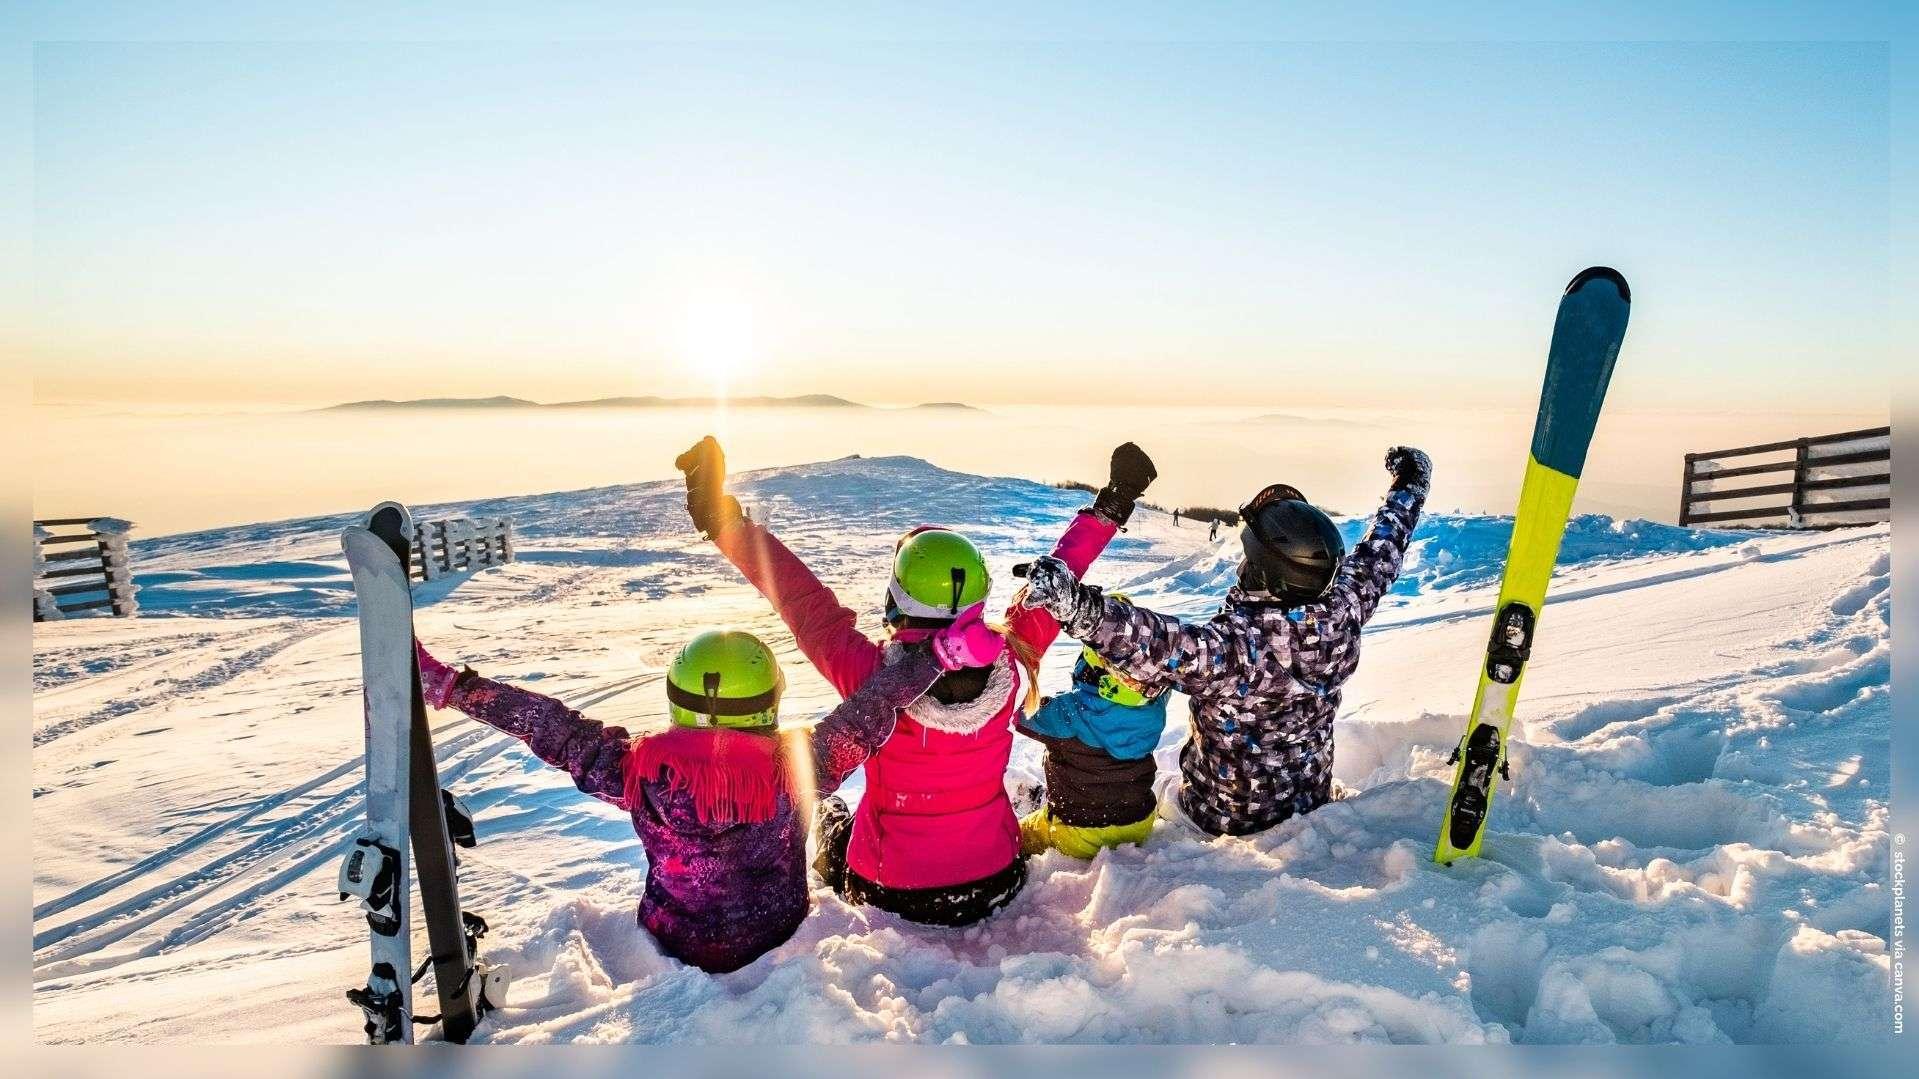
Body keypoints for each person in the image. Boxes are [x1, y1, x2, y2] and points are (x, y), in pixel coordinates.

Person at [676, 436, 1157, 925]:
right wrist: (1113, 503)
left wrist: (723, 522)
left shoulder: (869, 677)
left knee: (832, 819)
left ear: (897, 598)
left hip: (891, 888)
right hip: (996, 876)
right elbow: (1059, 579)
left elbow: (801, 600)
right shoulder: (1012, 659)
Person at [412, 612, 1005, 973]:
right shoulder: (799, 769)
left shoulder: (635, 771)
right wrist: (940, 656)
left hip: (675, 939)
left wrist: (455, 689)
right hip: (777, 930)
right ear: (769, 702)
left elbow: (551, 726)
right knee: (830, 814)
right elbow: (872, 710)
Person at [1018, 446, 1431, 837]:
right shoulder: (1344, 608)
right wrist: (1409, 487)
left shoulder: (1237, 649)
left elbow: (1154, 643)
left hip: (1221, 818)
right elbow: (1381, 553)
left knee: (1155, 800)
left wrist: (1075, 605)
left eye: (1249, 558)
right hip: (1310, 799)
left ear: (1264, 572)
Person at [1015, 592, 1172, 858]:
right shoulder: (1152, 706)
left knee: (1021, 835)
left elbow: (1020, 713)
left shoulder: (1070, 713)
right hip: (1140, 822)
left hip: (1079, 832)